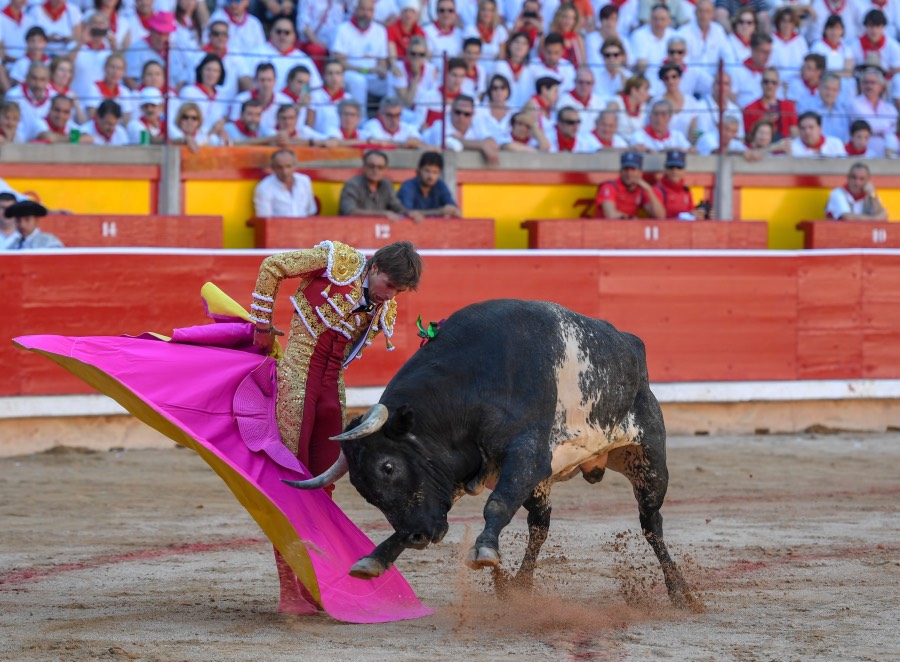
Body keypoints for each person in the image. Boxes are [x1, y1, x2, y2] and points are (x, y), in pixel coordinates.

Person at [338, 150, 425, 222]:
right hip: (353, 231)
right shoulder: (353, 184)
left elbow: (397, 207)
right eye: (371, 166)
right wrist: (383, 214)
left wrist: (409, 213)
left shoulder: (386, 184)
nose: (375, 170)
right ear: (364, 167)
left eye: (380, 167)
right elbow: (349, 212)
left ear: (385, 170)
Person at [594, 150, 665, 219]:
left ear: (640, 173)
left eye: (633, 169)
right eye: (626, 169)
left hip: (628, 228)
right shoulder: (610, 186)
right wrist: (631, 218)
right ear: (621, 171)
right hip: (605, 229)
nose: (629, 173)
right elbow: (610, 215)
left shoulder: (641, 189)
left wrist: (649, 190)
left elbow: (660, 216)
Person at [253, 149, 316, 218]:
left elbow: (311, 212)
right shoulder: (264, 188)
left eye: (288, 166)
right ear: (273, 168)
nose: (285, 172)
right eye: (280, 167)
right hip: (278, 228)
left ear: (295, 166)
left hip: (305, 226)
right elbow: (265, 221)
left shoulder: (304, 181)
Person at [397, 152, 461, 218]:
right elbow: (407, 212)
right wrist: (439, 212)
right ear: (418, 171)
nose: (431, 176)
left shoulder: (440, 185)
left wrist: (453, 211)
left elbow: (455, 210)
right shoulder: (408, 186)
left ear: (439, 174)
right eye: (427, 171)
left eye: (435, 172)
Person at [653, 150, 709, 220]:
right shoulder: (658, 190)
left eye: (679, 167)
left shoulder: (686, 191)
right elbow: (659, 217)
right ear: (666, 170)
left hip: (685, 229)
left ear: (684, 170)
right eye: (671, 167)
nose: (675, 171)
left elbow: (692, 212)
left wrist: (700, 215)